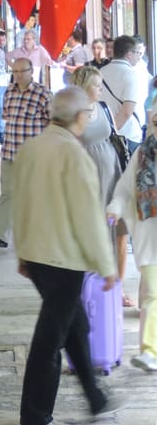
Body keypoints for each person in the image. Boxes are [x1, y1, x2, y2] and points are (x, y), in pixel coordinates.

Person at [12, 87, 123, 423]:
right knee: (49, 341)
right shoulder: (73, 154)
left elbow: (19, 200)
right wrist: (107, 266)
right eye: (87, 114)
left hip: (38, 256)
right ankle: (34, 415)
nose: (88, 118)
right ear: (78, 117)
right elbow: (88, 216)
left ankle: (96, 398)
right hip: (63, 260)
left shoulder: (32, 147)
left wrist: (22, 250)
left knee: (76, 324)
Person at [0, 58, 52, 248]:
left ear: (31, 71)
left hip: (32, 155)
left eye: (22, 71)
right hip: (10, 152)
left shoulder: (42, 94)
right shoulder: (9, 91)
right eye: (15, 71)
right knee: (8, 194)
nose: (18, 74)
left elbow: (53, 122)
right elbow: (7, 118)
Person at [107, 108, 157, 372]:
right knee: (152, 295)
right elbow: (125, 189)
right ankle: (149, 351)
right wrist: (115, 208)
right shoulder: (142, 155)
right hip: (149, 238)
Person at [101, 35, 147, 306]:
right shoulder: (133, 75)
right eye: (138, 54)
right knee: (123, 215)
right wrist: (114, 134)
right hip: (126, 142)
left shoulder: (101, 72)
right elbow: (128, 110)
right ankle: (117, 283)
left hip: (103, 144)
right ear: (129, 54)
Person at [72, 66, 123, 206]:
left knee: (109, 212)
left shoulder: (104, 107)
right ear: (84, 86)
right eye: (97, 86)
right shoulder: (71, 113)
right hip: (84, 174)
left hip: (111, 170)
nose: (101, 89)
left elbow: (114, 134)